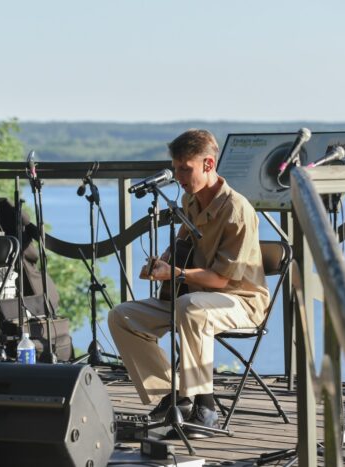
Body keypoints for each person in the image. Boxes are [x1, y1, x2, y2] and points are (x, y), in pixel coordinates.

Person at [108, 129, 269, 438]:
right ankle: (171, 394)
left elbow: (221, 279)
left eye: (185, 168)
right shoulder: (190, 199)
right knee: (122, 316)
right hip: (194, 297)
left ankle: (203, 405)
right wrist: (162, 263)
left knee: (190, 308)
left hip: (240, 301)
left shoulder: (237, 210)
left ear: (208, 164)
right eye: (176, 167)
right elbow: (181, 244)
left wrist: (176, 273)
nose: (178, 176)